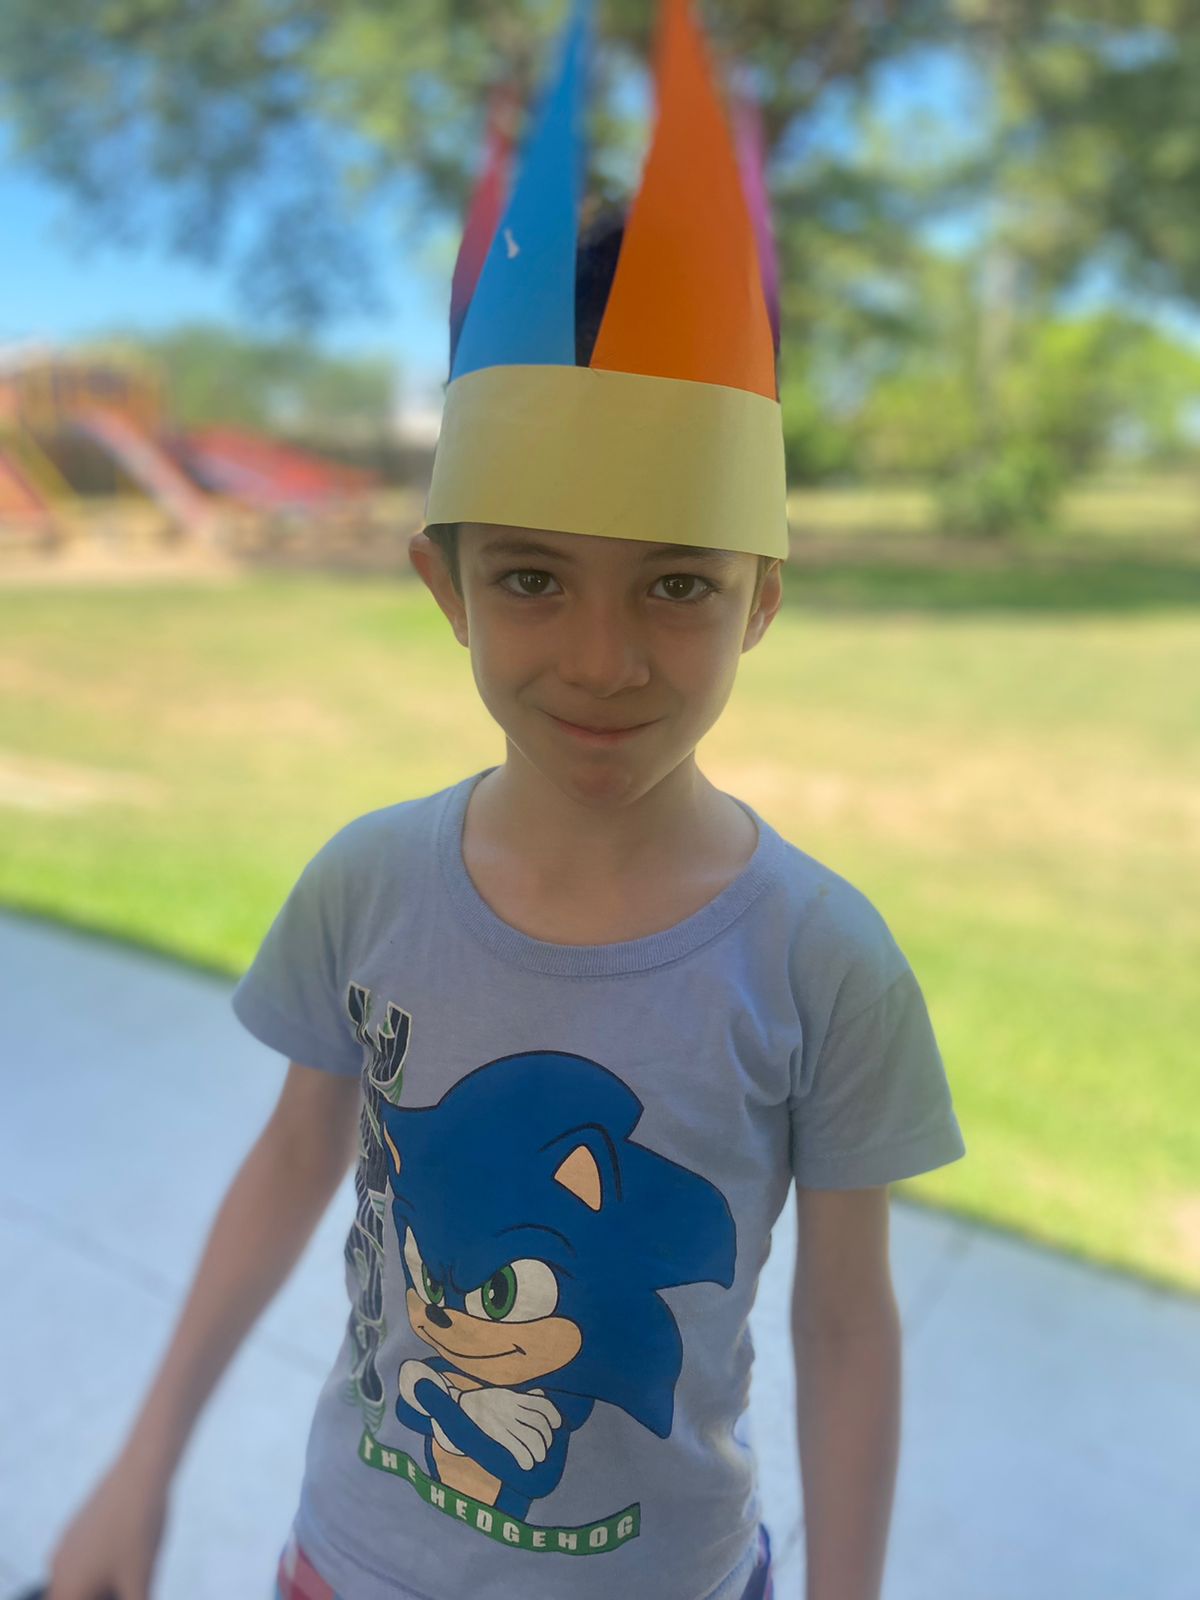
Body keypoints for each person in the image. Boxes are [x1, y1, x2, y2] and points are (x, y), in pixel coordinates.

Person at [41, 3, 966, 1599]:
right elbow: (293, 1161)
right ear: (445, 584)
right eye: (534, 577)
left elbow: (844, 1319)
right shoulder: (368, 885)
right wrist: (143, 1462)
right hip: (352, 1559)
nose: (603, 661)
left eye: (677, 583)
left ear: (760, 597)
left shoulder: (823, 962)